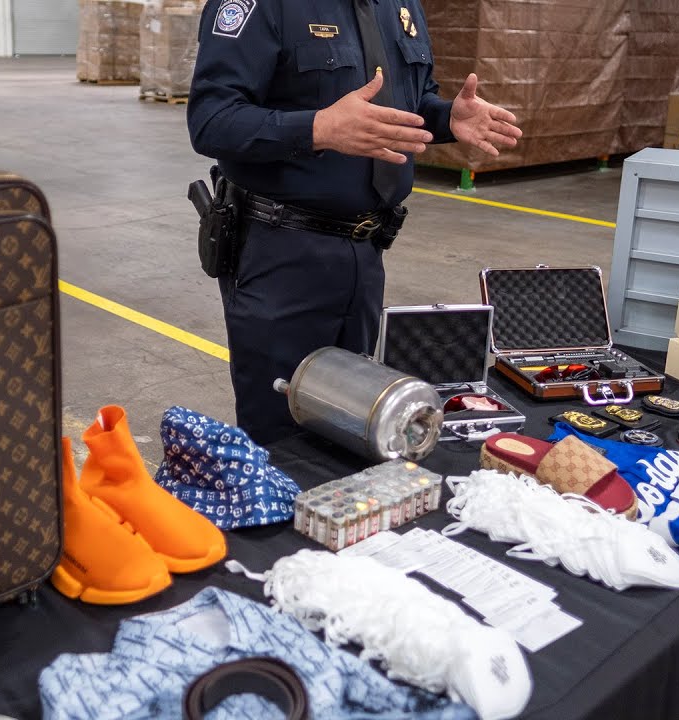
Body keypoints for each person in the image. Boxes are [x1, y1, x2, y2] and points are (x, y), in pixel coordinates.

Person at [187, 0, 523, 444]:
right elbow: (211, 120)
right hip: (280, 253)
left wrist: (446, 117)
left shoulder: (399, 5)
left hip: (366, 250)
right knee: (280, 429)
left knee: (352, 418)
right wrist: (319, 128)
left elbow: (408, 101)